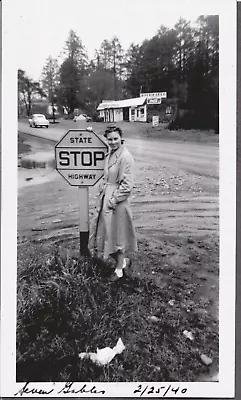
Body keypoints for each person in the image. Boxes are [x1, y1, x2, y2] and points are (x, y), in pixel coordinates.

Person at [89, 125, 138, 281]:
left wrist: (113, 200)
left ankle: (119, 270)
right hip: (106, 197)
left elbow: (127, 186)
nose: (113, 142)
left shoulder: (125, 157)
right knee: (105, 234)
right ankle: (123, 262)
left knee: (117, 236)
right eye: (109, 139)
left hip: (117, 202)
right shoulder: (110, 153)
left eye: (115, 138)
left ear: (121, 138)